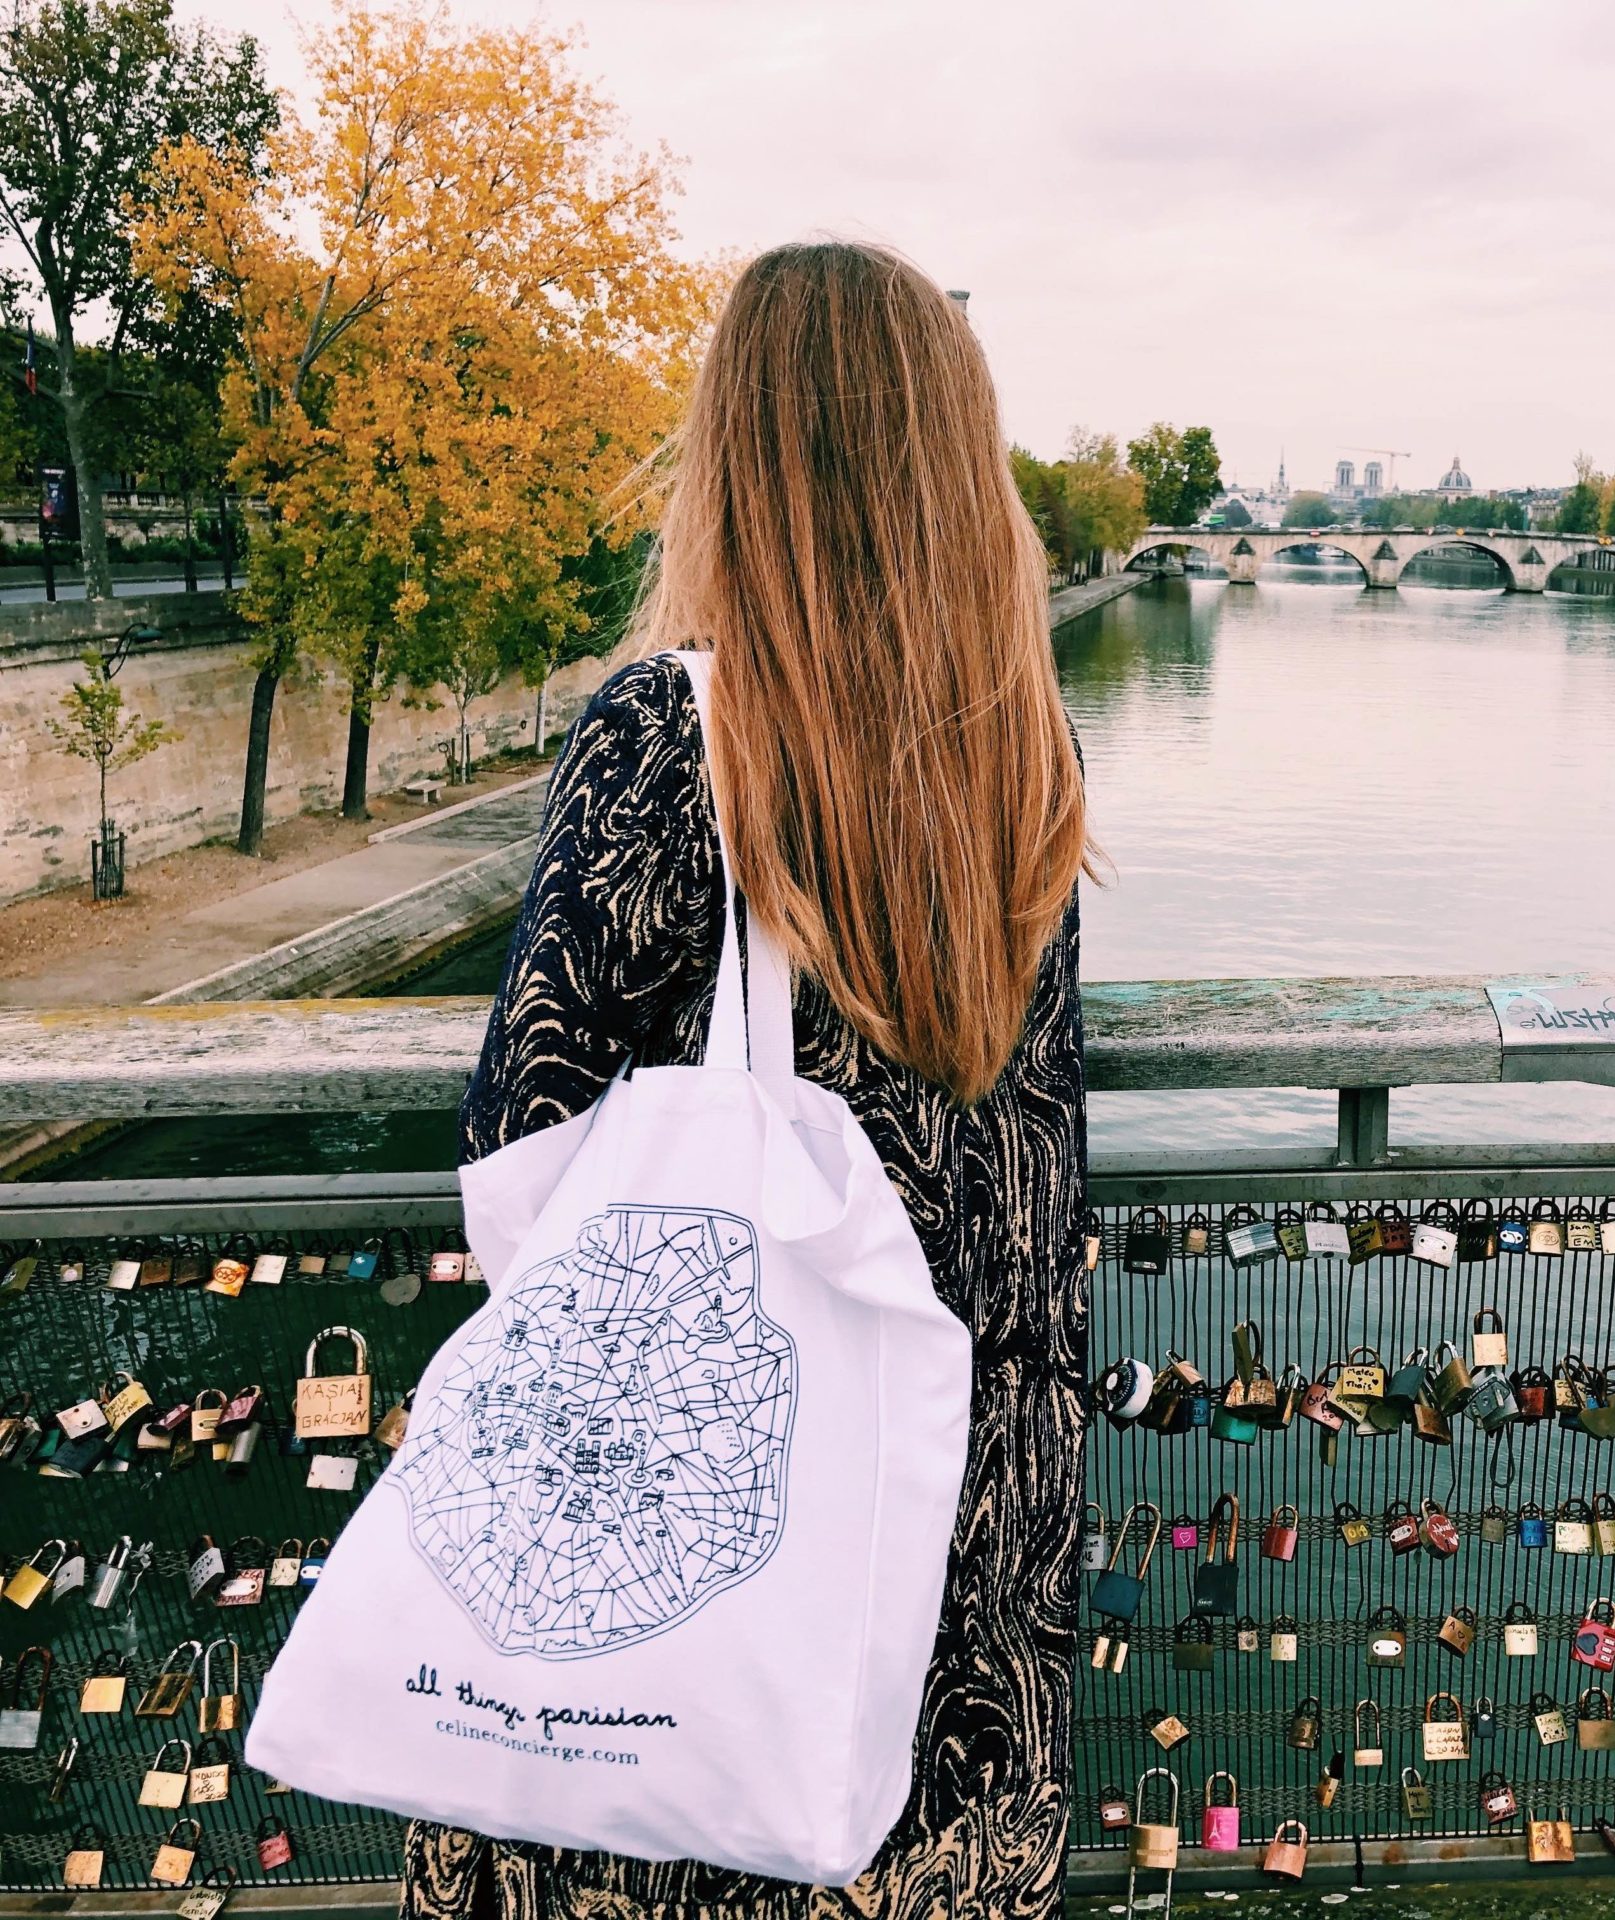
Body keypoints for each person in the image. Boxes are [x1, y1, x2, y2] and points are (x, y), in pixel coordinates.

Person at [407, 243, 1092, 1920]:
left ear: (739, 463)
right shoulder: (1026, 754)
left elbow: (522, 1152)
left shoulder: (665, 734)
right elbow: (1029, 1187)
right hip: (961, 1562)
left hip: (694, 1617)